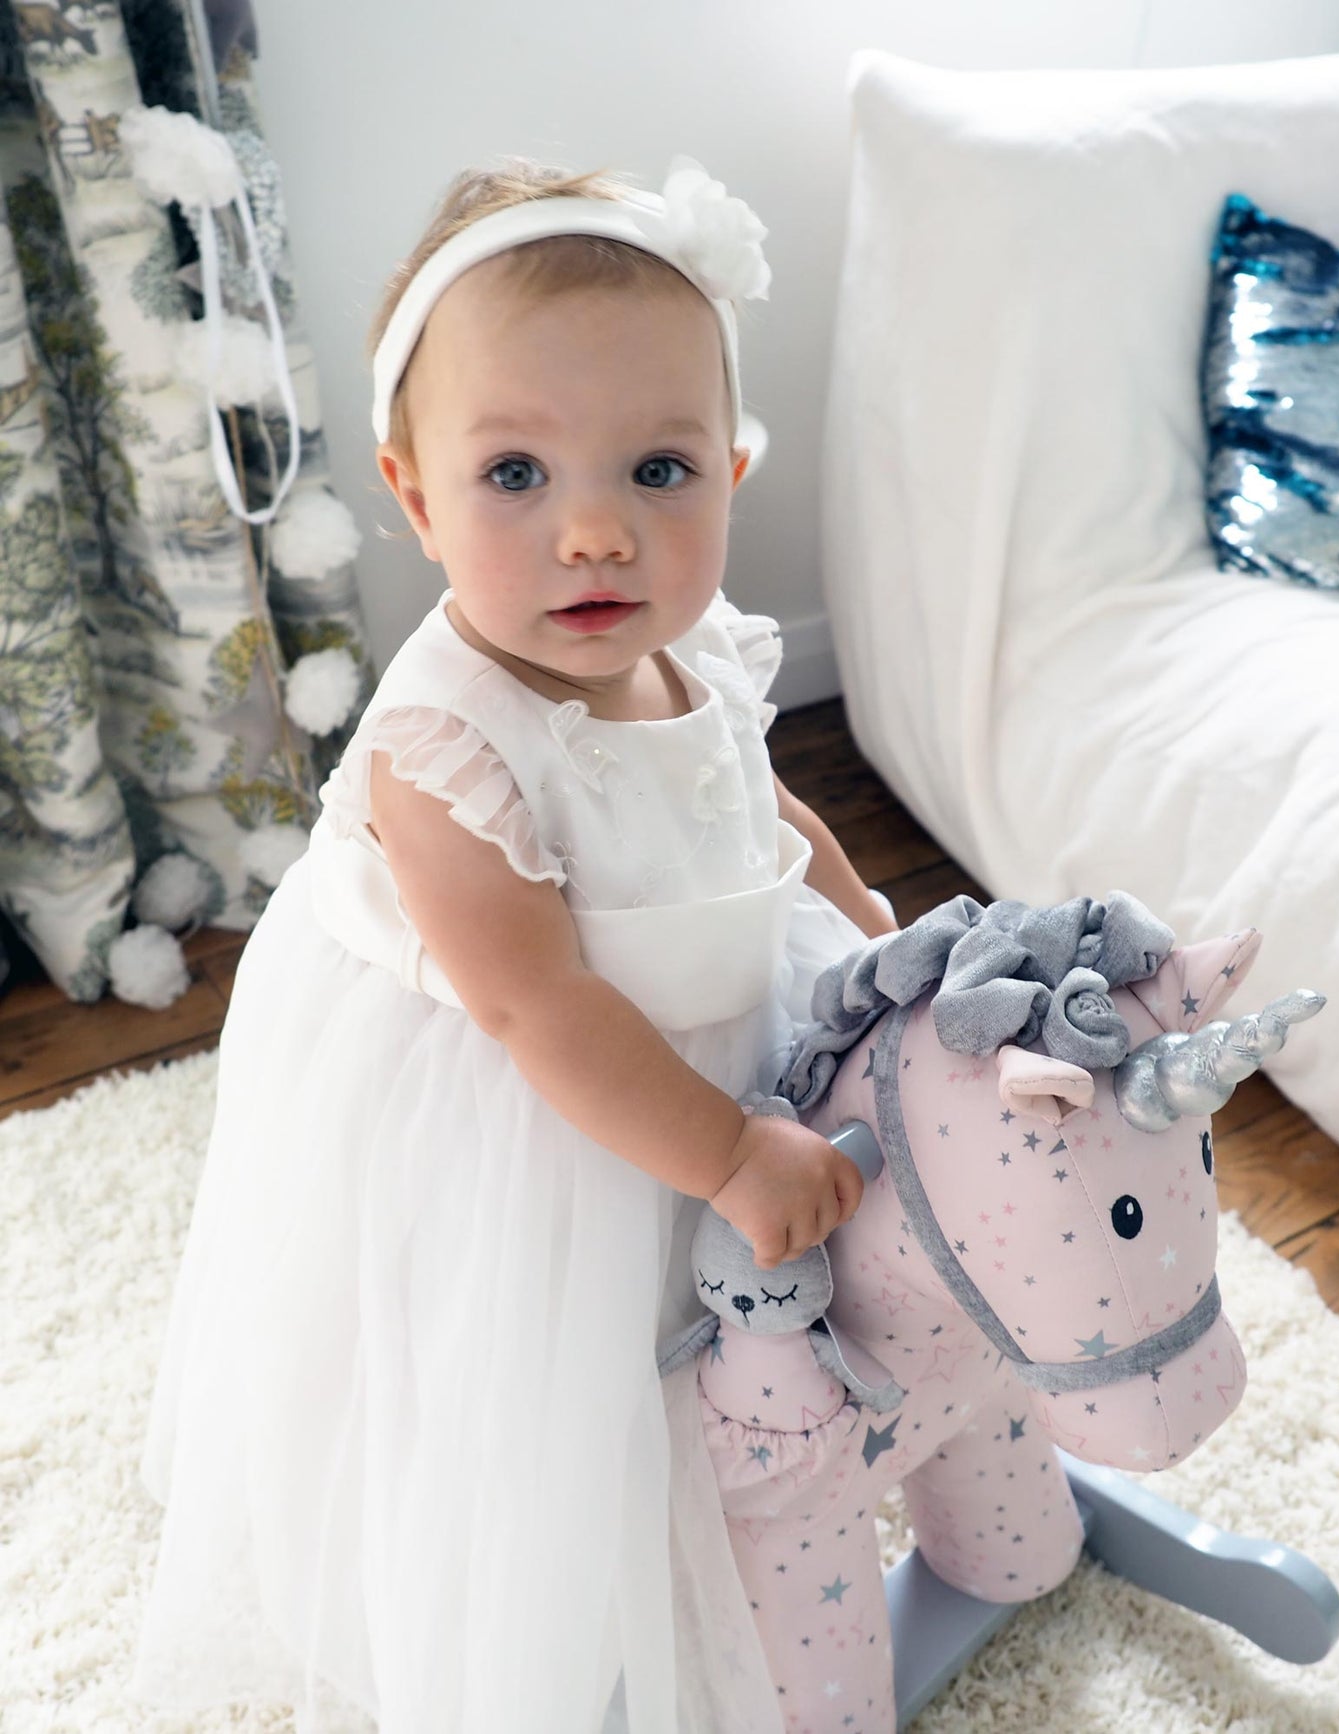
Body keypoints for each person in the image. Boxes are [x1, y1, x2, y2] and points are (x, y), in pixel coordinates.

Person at [129, 153, 899, 1734]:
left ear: (732, 470)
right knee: (541, 1385)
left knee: (706, 1339)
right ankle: (550, 1630)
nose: (597, 532)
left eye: (658, 469)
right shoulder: (447, 748)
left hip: (681, 1018)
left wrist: (864, 918)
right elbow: (537, 1006)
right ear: (415, 495)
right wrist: (727, 1153)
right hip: (519, 1104)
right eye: (516, 475)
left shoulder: (703, 650)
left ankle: (734, 1504)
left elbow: (755, 806)